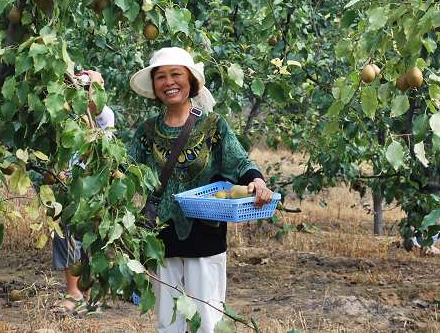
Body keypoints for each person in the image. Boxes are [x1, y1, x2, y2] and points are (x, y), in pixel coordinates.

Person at [128, 47, 274, 333]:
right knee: (168, 322)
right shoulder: (146, 132)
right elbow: (125, 170)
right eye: (161, 77)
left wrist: (256, 180)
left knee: (208, 320)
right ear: (154, 86)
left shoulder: (212, 125)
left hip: (205, 236)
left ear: (191, 81)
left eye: (175, 75)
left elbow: (239, 160)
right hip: (161, 238)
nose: (168, 82)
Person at [51, 69, 114, 313]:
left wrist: (92, 88)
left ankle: (86, 291)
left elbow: (95, 123)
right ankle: (73, 291)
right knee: (67, 239)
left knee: (90, 241)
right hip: (67, 188)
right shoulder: (67, 114)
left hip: (92, 188)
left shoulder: (103, 114)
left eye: (93, 87)